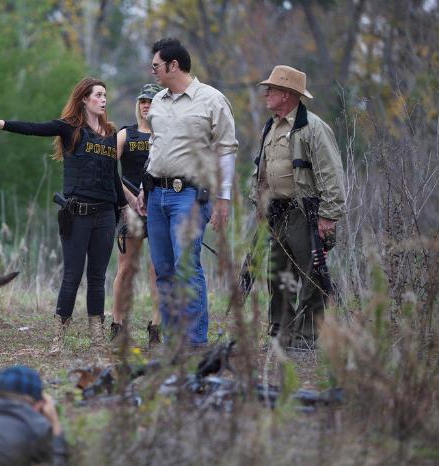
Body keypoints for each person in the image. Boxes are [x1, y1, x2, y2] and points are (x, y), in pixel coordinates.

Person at [0, 78, 128, 354]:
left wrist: (124, 209)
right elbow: (32, 128)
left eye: (105, 95)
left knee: (98, 277)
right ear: (84, 99)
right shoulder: (69, 129)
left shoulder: (110, 134)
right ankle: (58, 338)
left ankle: (97, 337)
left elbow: (113, 176)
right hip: (77, 215)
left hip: (105, 215)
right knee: (72, 276)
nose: (103, 100)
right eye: (98, 95)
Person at [136, 38, 238, 348]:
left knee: (185, 267)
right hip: (156, 196)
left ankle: (194, 344)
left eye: (156, 66)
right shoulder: (158, 102)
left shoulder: (212, 100)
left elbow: (226, 149)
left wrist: (223, 198)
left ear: (173, 65)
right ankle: (172, 341)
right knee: (163, 271)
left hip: (189, 196)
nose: (153, 71)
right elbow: (156, 147)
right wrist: (143, 187)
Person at [251, 65, 346, 350]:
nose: (266, 92)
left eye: (273, 89)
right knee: (278, 276)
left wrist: (328, 215)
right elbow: (264, 169)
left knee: (311, 275)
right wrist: (259, 203)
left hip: (304, 214)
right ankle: (281, 335)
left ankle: (306, 338)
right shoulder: (272, 125)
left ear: (289, 94)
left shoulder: (313, 128)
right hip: (276, 213)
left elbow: (331, 174)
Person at [111, 83, 162, 347]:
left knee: (158, 269)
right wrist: (129, 198)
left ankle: (156, 326)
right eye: (143, 100)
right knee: (127, 268)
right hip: (131, 210)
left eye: (151, 101)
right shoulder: (125, 135)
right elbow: (109, 169)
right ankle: (117, 324)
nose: (146, 105)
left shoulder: (165, 134)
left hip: (159, 207)